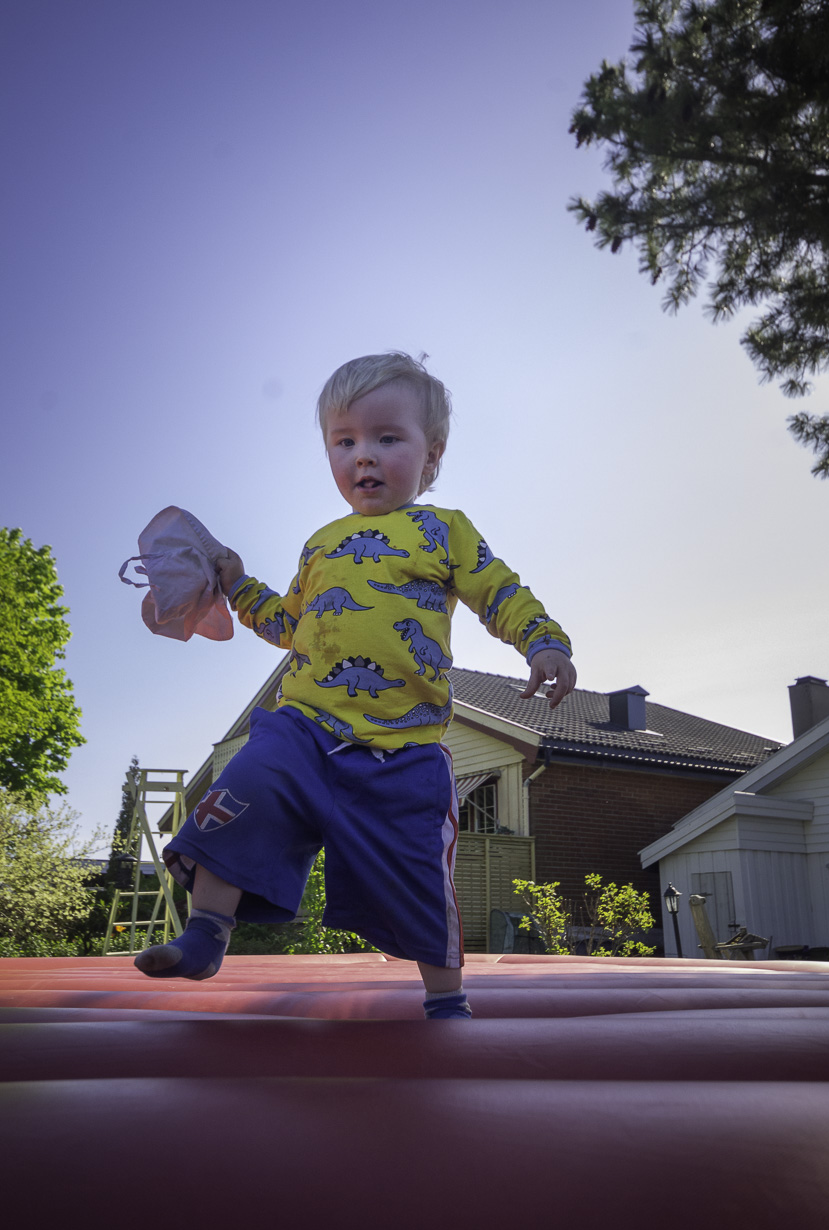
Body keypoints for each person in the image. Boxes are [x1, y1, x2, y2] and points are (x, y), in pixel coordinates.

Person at [135, 352, 576, 1017]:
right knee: (246, 783)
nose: (362, 456)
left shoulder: (442, 530)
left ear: (432, 456)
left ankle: (446, 999)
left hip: (402, 750)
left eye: (386, 438)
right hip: (306, 727)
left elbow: (499, 591)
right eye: (345, 442)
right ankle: (206, 932)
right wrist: (233, 580)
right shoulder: (321, 544)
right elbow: (288, 622)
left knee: (421, 871)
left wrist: (542, 640)